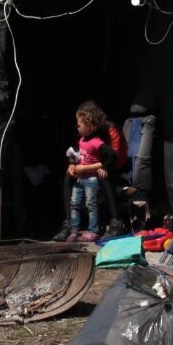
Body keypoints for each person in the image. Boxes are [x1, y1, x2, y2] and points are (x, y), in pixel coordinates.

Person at [55, 101, 127, 241]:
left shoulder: (110, 131)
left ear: (90, 123)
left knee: (103, 176)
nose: (78, 126)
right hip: (89, 168)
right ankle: (69, 223)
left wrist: (92, 168)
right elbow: (80, 151)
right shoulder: (84, 133)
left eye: (80, 123)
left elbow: (115, 158)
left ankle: (116, 222)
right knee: (68, 176)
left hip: (111, 167)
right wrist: (73, 164)